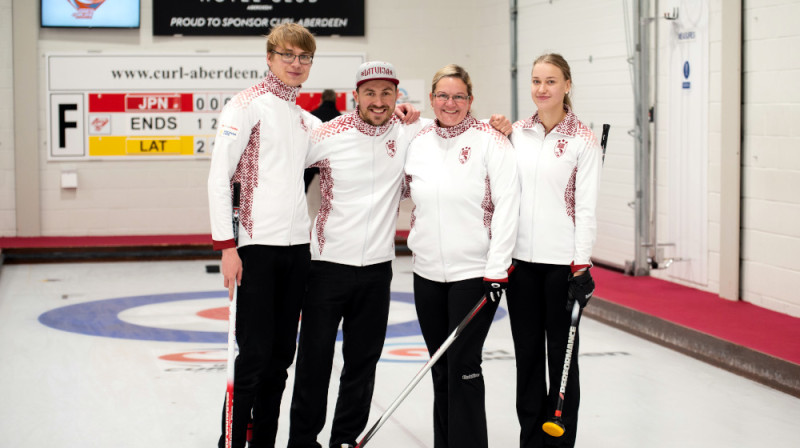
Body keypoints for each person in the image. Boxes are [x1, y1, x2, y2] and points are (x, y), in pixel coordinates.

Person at [207, 23, 321, 448]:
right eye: (288, 55)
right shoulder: (246, 106)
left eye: (304, 57)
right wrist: (227, 247)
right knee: (252, 358)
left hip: (297, 252)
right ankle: (231, 441)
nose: (296, 64)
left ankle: (265, 441)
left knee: (279, 360)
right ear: (270, 58)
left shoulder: (305, 119)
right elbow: (219, 178)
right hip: (255, 249)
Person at [403, 64, 520, 448]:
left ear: (471, 100)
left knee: (464, 365)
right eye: (442, 95)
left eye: (458, 96)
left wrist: (497, 267)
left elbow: (508, 204)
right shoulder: (418, 139)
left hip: (475, 273)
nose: (449, 103)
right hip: (427, 274)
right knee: (440, 367)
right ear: (432, 98)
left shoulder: (491, 138)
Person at [506, 53, 602, 448]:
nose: (541, 89)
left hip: (561, 266)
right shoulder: (515, 133)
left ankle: (561, 440)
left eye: (550, 81)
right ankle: (530, 438)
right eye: (535, 81)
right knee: (527, 357)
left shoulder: (582, 139)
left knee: (562, 358)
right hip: (520, 265)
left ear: (566, 85)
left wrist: (581, 266)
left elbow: (585, 207)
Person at [305, 89, 342, 192]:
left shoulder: (311, 117)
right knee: (334, 194)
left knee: (302, 189)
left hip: (312, 162)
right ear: (335, 100)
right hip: (332, 163)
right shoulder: (340, 119)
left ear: (321, 99)